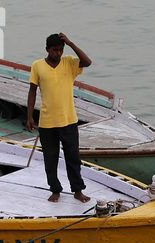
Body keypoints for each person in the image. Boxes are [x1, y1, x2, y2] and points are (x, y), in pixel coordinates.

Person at [26, 33, 92, 203]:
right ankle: (55, 190)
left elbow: (87, 62)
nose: (58, 53)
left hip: (69, 121)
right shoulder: (37, 66)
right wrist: (30, 116)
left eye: (60, 50)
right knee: (50, 159)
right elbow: (32, 91)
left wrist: (70, 43)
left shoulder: (69, 63)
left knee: (73, 158)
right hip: (47, 123)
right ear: (47, 49)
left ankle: (77, 190)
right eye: (55, 50)